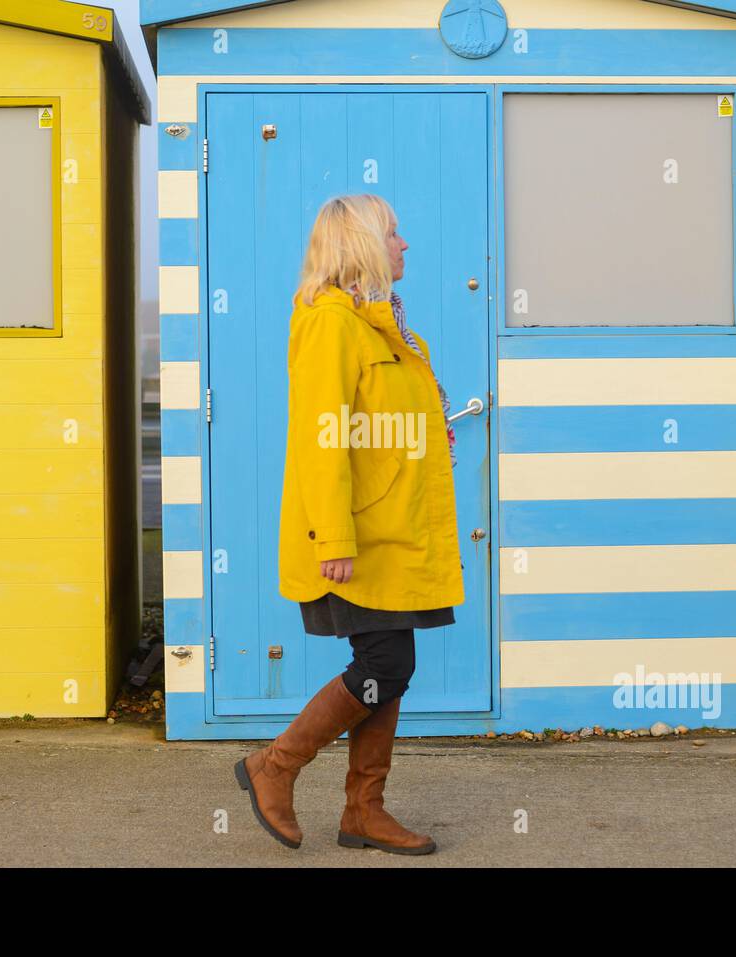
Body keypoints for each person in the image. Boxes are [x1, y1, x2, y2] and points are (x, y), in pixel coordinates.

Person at [234, 193, 465, 855]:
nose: (405, 244)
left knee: (391, 662)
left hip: (393, 535)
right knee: (385, 663)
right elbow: (320, 438)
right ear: (363, 244)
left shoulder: (378, 322)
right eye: (395, 233)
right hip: (354, 540)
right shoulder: (330, 323)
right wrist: (332, 537)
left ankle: (364, 810)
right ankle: (275, 765)